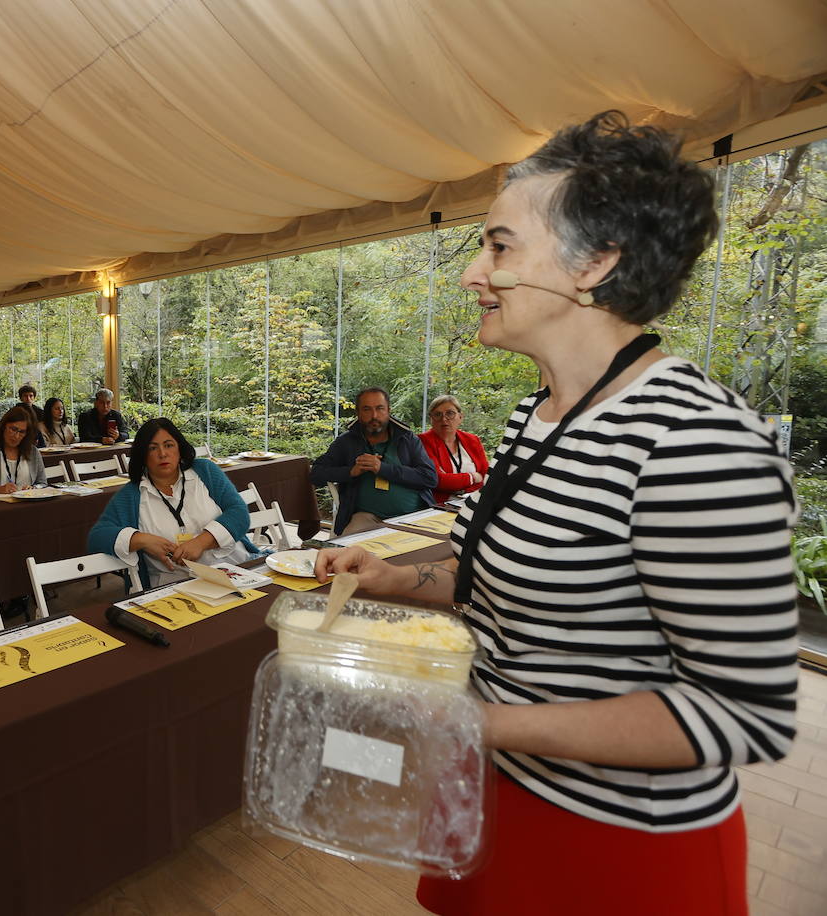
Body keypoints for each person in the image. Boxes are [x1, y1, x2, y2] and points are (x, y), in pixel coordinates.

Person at [316, 112, 798, 916]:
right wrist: (394, 576)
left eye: (500, 247)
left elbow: (742, 712)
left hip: (619, 845)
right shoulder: (534, 415)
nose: (474, 273)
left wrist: (483, 723)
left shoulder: (694, 438)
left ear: (597, 262)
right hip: (501, 791)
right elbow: (486, 572)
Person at [87, 418, 255, 588]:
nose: (162, 454)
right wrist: (141, 539)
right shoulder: (132, 495)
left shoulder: (205, 471)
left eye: (168, 445)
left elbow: (239, 513)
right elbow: (97, 538)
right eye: (153, 448)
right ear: (143, 456)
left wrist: (202, 541)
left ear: (179, 448)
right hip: (176, 587)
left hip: (236, 571)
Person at [310, 387, 437, 535]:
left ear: (388, 411)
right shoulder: (347, 442)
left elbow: (429, 478)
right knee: (345, 551)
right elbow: (316, 473)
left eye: (380, 408)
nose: (374, 415)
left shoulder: (407, 439)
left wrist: (382, 468)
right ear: (357, 413)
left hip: (412, 516)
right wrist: (350, 471)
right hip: (367, 518)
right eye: (366, 409)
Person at [418, 395, 489, 504]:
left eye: (450, 413)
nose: (444, 419)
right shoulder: (422, 441)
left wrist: (463, 489)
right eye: (437, 414)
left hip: (474, 502)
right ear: (431, 419)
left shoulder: (472, 440)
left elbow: (486, 476)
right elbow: (437, 480)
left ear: (460, 417)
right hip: (440, 506)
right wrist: (472, 477)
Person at [0, 406, 47, 497]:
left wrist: (34, 488)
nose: (16, 436)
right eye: (13, 429)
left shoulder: (33, 452)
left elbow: (42, 483)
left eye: (22, 432)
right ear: (3, 427)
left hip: (28, 504)